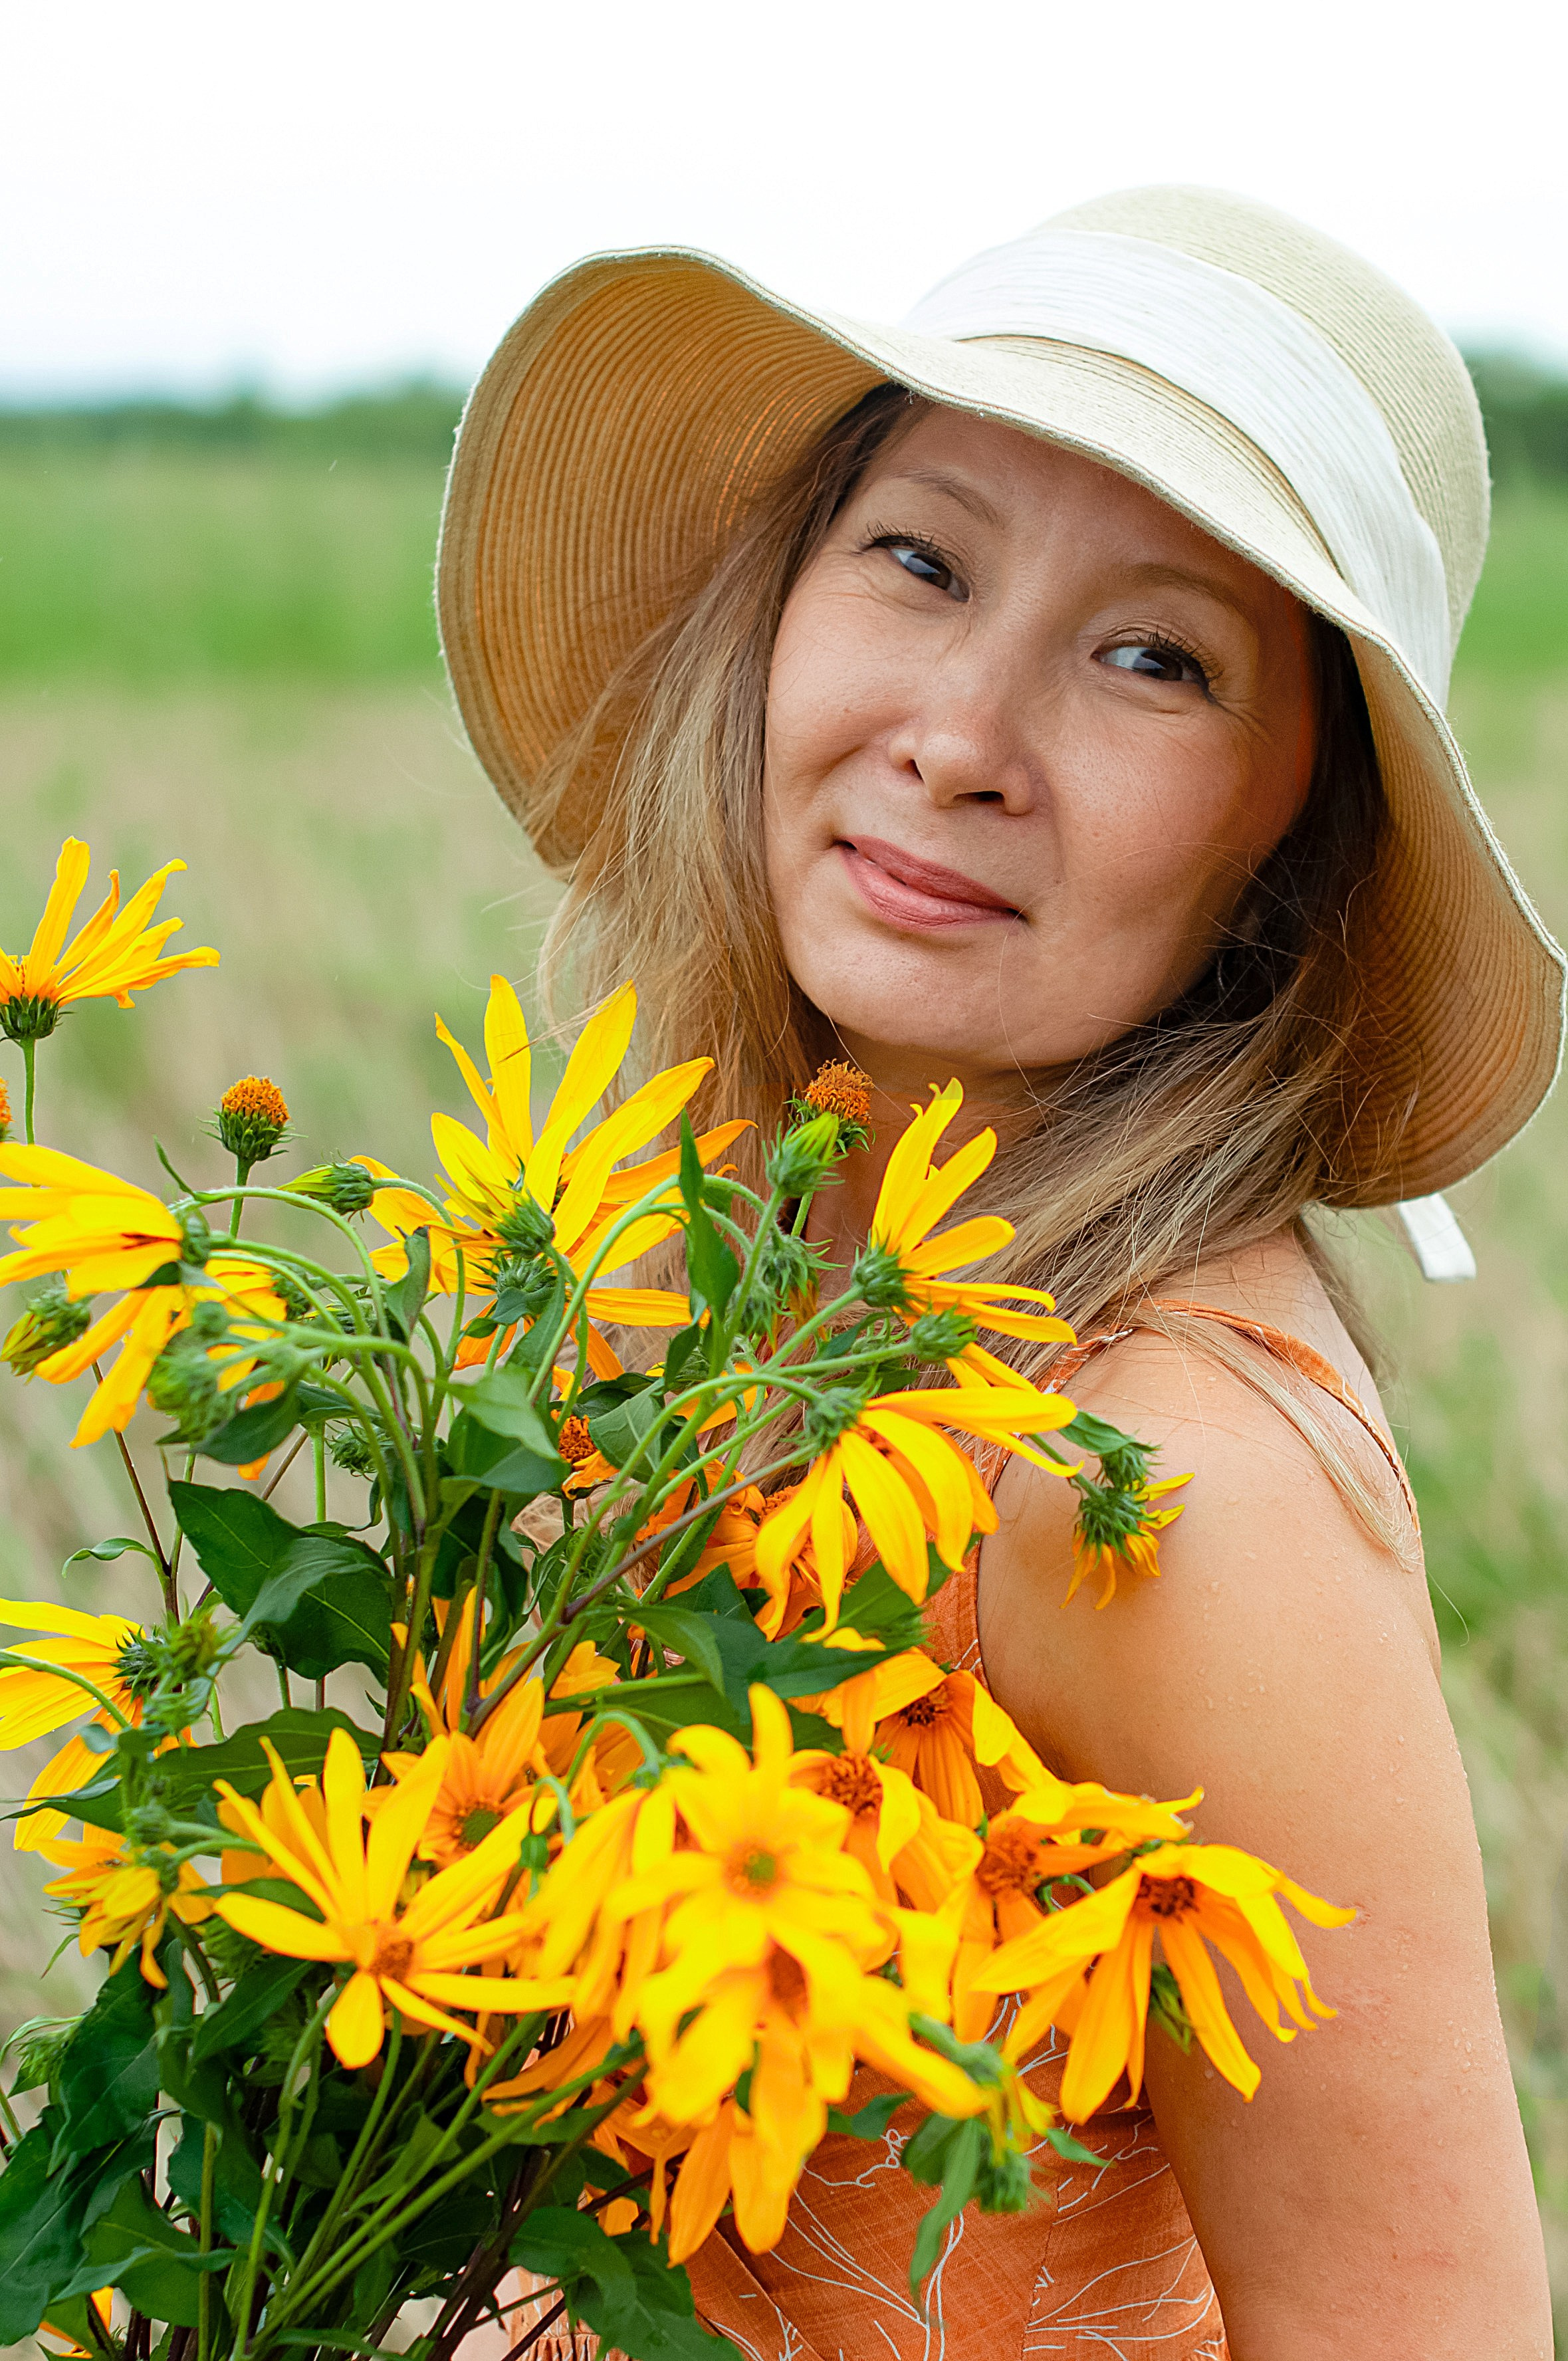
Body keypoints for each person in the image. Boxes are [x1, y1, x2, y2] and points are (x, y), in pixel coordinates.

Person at [437, 188, 1562, 2357]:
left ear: (1289, 829)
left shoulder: (1159, 1487)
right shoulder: (681, 1256)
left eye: (1156, 659)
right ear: (778, 602)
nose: (961, 736)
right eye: (922, 561)